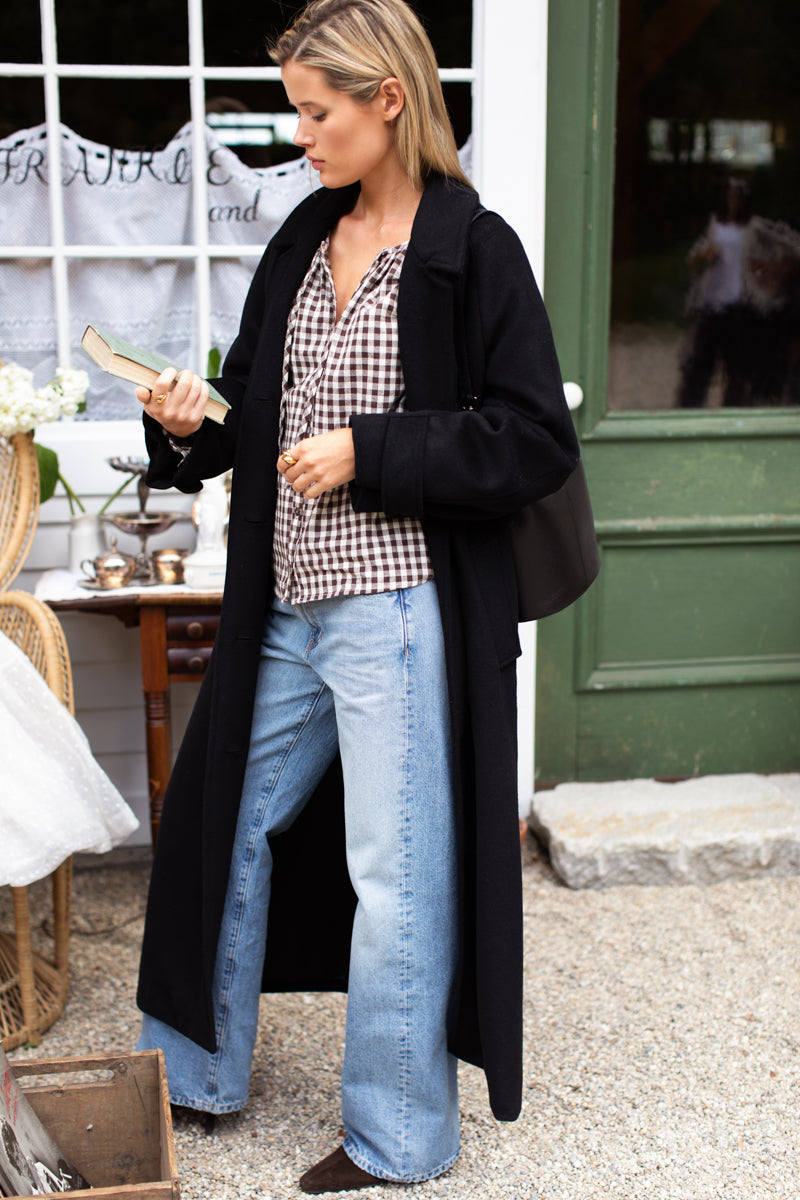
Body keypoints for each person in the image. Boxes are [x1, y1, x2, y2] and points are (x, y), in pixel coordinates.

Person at [134, 0, 579, 1192]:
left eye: (315, 112)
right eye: (294, 112)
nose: (299, 137)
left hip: (395, 610)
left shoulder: (470, 248)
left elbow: (532, 438)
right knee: (220, 822)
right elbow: (251, 410)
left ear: (388, 100)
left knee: (396, 875)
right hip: (282, 602)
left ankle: (397, 1135)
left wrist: (367, 450)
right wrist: (185, 421)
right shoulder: (303, 234)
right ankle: (191, 1076)